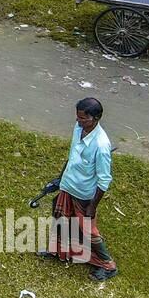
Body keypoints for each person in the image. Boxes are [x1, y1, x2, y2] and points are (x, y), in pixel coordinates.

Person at [39, 97, 117, 281]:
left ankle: (108, 265)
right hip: (68, 185)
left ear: (96, 118)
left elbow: (104, 179)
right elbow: (72, 156)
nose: (78, 122)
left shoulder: (101, 145)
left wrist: (93, 206)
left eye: (83, 119)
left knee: (88, 230)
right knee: (60, 219)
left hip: (84, 194)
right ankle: (58, 251)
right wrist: (60, 178)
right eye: (77, 117)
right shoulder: (79, 129)